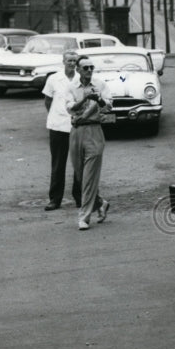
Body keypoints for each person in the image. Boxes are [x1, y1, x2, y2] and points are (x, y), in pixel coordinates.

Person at [65, 55, 112, 231]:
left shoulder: (100, 85)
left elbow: (109, 106)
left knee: (89, 176)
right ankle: (100, 203)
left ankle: (84, 217)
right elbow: (70, 108)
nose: (89, 71)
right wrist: (85, 99)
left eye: (92, 67)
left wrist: (98, 99)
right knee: (80, 175)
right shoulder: (71, 87)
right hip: (76, 132)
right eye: (85, 68)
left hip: (94, 131)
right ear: (78, 70)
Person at [42, 50, 79, 211]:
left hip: (77, 126)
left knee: (78, 163)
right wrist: (56, 114)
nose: (72, 63)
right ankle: (55, 199)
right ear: (63, 61)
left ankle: (80, 197)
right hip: (57, 126)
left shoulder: (81, 79)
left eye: (74, 61)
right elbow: (48, 101)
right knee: (58, 164)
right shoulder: (54, 79)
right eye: (69, 60)